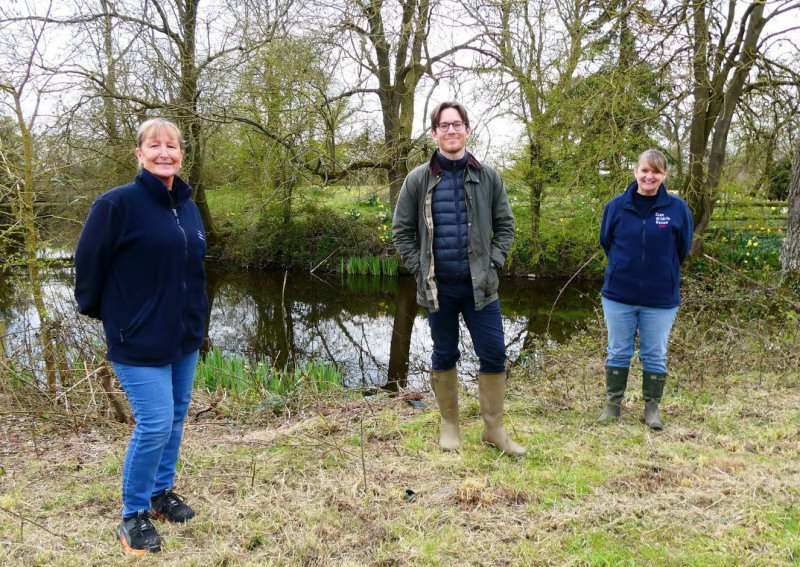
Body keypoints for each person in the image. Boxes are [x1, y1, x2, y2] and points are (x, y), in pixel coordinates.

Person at [74, 118, 208, 554]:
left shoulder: (187, 206)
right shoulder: (116, 204)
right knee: (153, 423)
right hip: (137, 337)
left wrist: (195, 317)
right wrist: (114, 317)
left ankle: (160, 494)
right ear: (139, 153)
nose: (164, 152)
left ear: (181, 154)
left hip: (183, 334)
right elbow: (88, 265)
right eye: (154, 145)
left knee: (175, 416)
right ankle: (133, 515)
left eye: (172, 145)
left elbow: (191, 267)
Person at [392, 101, 525, 456]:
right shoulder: (417, 179)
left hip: (481, 287)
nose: (451, 130)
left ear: (467, 130)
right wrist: (419, 268)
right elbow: (401, 232)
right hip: (438, 288)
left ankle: (494, 430)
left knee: (494, 353)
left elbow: (506, 226)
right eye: (444, 125)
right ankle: (449, 426)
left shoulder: (488, 177)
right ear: (434, 133)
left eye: (457, 124)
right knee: (445, 353)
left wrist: (493, 263)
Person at [598, 149, 693, 429]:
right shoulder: (615, 207)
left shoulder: (677, 209)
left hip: (660, 299)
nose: (649, 176)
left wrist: (662, 271)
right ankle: (613, 405)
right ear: (636, 172)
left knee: (654, 354)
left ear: (664, 175)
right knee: (618, 351)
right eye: (645, 170)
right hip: (619, 295)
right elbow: (607, 242)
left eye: (656, 171)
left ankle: (652, 409)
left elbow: (683, 248)